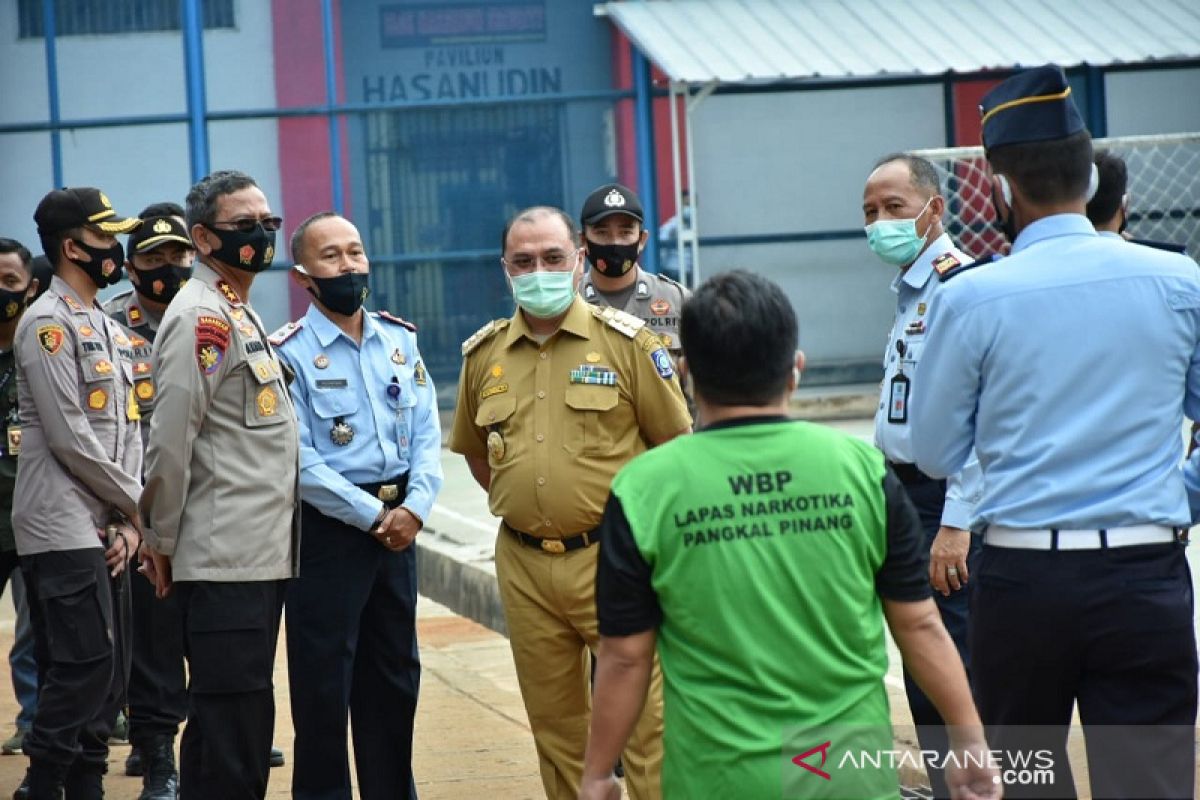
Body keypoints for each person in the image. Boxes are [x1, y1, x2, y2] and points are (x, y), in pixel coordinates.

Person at [579, 270, 997, 800]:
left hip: (718, 779)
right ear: (795, 371)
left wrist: (597, 773)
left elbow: (624, 657)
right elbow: (920, 627)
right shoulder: (862, 472)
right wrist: (969, 739)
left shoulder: (642, 490)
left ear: (687, 374)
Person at [911, 64, 1199, 800]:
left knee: (1028, 778)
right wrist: (1180, 493)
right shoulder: (1178, 281)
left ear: (1003, 189)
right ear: (1091, 183)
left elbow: (939, 451)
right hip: (1146, 573)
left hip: (1021, 581)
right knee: (1150, 784)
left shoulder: (969, 298)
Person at [448, 206, 691, 799]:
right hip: (526, 564)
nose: (540, 271)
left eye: (553, 258)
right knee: (556, 728)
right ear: (505, 269)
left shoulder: (628, 344)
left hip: (614, 558)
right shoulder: (484, 358)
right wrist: (539, 506)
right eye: (524, 261)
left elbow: (677, 450)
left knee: (643, 726)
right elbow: (482, 459)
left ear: (577, 259)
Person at [139, 170, 299, 800]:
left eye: (268, 224)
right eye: (244, 226)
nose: (261, 235)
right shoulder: (202, 317)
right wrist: (161, 539)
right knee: (236, 736)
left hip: (251, 558)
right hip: (222, 561)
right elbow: (172, 439)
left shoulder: (236, 308)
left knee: (220, 726)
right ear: (203, 238)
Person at [274, 211, 443, 800]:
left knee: (394, 678)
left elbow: (426, 435)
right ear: (304, 277)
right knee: (323, 686)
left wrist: (415, 508)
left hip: (400, 528)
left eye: (355, 252)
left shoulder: (400, 340)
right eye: (331, 256)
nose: (348, 266)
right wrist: (372, 517)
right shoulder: (288, 354)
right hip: (331, 534)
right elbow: (296, 461)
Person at [13, 187, 144, 799]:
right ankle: (43, 785)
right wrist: (145, 505)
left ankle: (85, 786)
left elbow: (129, 428)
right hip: (58, 521)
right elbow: (70, 438)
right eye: (104, 236)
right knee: (82, 663)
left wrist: (128, 521)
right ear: (72, 246)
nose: (114, 248)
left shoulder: (106, 326)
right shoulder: (46, 324)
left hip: (105, 521)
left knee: (109, 674)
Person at [860, 152, 983, 797]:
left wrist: (957, 524)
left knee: (949, 660)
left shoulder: (957, 288)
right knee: (920, 661)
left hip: (941, 503)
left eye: (894, 209)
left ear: (934, 210)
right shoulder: (912, 289)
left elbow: (981, 422)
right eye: (870, 213)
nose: (880, 223)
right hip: (905, 494)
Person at [102, 202, 194, 799]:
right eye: (153, 258)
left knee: (215, 632)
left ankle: (215, 730)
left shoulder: (216, 316)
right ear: (132, 268)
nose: (167, 269)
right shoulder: (109, 326)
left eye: (177, 257)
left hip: (210, 501)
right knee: (154, 638)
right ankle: (158, 754)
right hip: (141, 506)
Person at [0, 239, 40, 761]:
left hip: (34, 516)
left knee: (39, 632)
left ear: (31, 286)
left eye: (10, 282)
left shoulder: (41, 347)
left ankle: (37, 725)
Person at [578, 184, 689, 364]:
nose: (614, 242)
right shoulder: (568, 301)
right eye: (602, 233)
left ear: (642, 240)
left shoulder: (677, 300)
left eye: (625, 233)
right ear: (583, 241)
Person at [656, 188, 694, 285]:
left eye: (691, 204)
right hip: (673, 271)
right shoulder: (673, 225)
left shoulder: (697, 225)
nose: (689, 208)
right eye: (686, 204)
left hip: (689, 271)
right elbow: (662, 242)